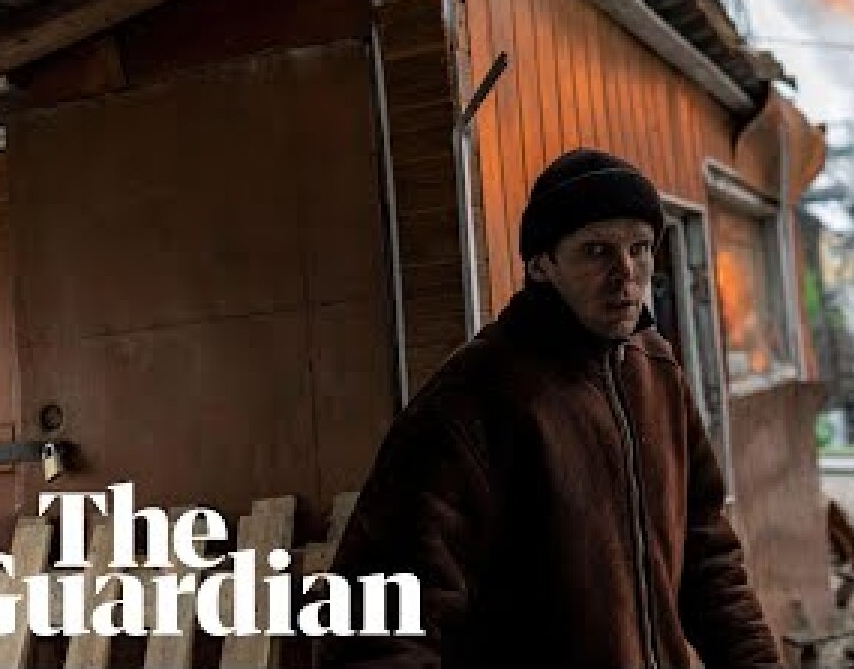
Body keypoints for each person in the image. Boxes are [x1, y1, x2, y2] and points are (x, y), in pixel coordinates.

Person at [319, 148, 782, 669]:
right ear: (542, 264)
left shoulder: (657, 373)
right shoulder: (473, 399)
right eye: (597, 252)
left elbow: (709, 561)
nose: (625, 274)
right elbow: (378, 621)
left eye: (639, 249)